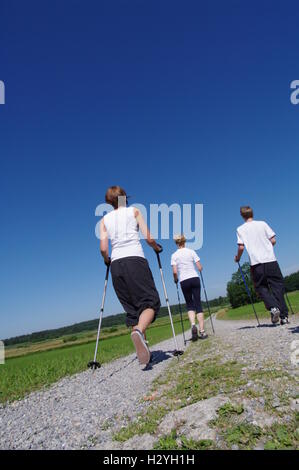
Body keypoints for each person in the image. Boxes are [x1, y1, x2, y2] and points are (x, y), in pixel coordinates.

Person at [100, 186, 162, 365]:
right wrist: (157, 247)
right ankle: (139, 332)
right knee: (151, 302)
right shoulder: (134, 211)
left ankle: (144, 350)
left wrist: (107, 260)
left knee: (134, 310)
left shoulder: (104, 219)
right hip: (135, 260)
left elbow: (104, 248)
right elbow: (149, 238)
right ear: (124, 197)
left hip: (116, 265)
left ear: (109, 202)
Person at [234, 206, 289, 325]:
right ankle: (284, 317)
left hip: (256, 263)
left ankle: (273, 307)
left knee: (260, 287)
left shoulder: (240, 229)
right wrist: (268, 248)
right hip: (271, 260)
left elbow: (241, 247)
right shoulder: (263, 224)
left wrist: (237, 258)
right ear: (252, 213)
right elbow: (273, 240)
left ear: (242, 216)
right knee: (277, 287)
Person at [171, 234, 208, 341]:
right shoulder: (191, 251)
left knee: (189, 304)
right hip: (194, 278)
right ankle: (202, 331)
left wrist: (175, 279)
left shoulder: (174, 255)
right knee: (198, 304)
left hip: (184, 281)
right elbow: (199, 267)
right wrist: (201, 268)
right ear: (184, 241)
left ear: (176, 243)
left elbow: (174, 271)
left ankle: (193, 325)